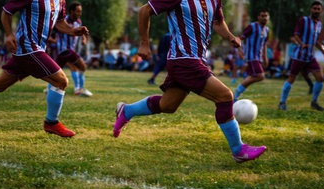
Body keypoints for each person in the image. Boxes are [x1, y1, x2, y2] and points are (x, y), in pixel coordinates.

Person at [113, 0, 266, 163]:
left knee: (168, 106)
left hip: (195, 60)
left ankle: (127, 110)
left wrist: (231, 38)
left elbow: (218, 22)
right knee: (225, 96)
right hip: (183, 60)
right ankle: (238, 150)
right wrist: (144, 44)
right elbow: (144, 11)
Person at [0, 0, 89, 137]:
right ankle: (51, 123)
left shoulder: (60, 0)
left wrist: (73, 31)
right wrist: (8, 34)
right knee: (61, 81)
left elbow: (60, 22)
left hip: (35, 49)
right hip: (27, 47)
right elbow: (6, 11)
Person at [279, 1, 324, 111]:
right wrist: (302, 44)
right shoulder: (303, 20)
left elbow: (315, 41)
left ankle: (314, 102)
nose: (316, 10)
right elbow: (296, 35)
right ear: (311, 9)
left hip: (310, 56)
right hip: (299, 56)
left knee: (320, 77)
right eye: (314, 8)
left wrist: (323, 51)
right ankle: (282, 102)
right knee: (292, 78)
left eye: (318, 9)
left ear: (320, 11)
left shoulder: (319, 24)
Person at [53, 1, 92, 96]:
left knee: (59, 70)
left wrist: (84, 39)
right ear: (71, 11)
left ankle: (51, 87)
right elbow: (54, 29)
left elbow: (80, 32)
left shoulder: (79, 22)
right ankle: (79, 89)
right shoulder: (63, 20)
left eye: (80, 11)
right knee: (82, 66)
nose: (80, 13)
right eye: (78, 11)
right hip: (64, 50)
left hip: (70, 50)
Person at [234, 10, 270, 101]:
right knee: (260, 76)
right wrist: (240, 51)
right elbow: (240, 38)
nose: (264, 18)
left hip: (259, 57)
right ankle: (235, 94)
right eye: (262, 16)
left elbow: (265, 44)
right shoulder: (252, 27)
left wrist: (265, 58)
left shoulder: (266, 30)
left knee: (252, 77)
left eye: (266, 16)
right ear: (258, 17)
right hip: (252, 56)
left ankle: (235, 97)